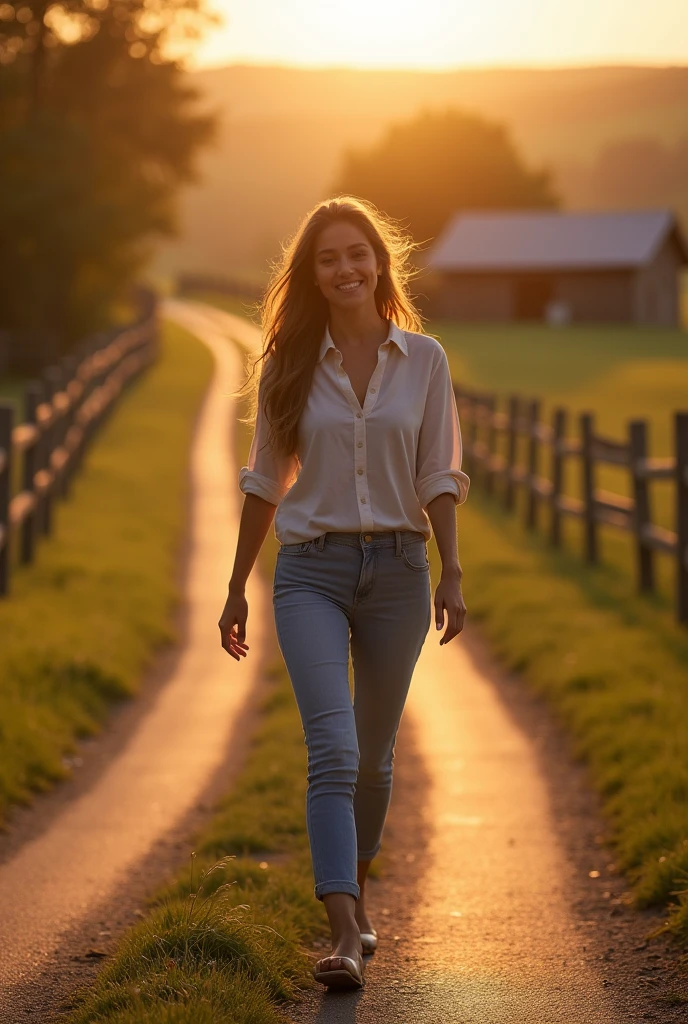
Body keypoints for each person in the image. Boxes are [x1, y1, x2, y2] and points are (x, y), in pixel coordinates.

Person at [218, 196, 470, 991]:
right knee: (332, 748)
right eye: (328, 258)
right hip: (310, 574)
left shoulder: (424, 360)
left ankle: (355, 896)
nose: (346, 268)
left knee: (376, 759)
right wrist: (235, 587)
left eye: (357, 253)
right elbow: (265, 480)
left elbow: (439, 472)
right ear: (311, 274)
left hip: (399, 570)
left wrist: (453, 571)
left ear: (379, 263)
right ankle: (342, 930)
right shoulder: (286, 366)